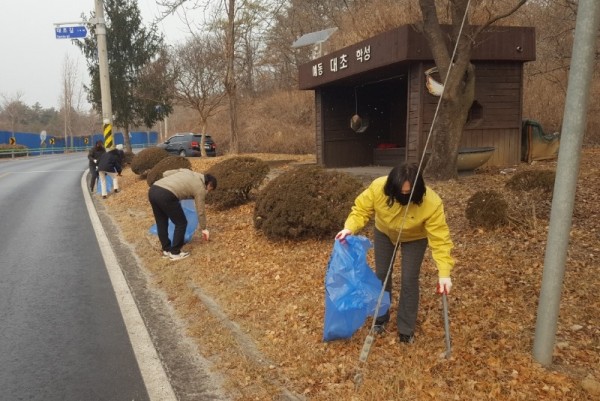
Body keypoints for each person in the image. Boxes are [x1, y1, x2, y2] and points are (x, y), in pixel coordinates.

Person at [335, 162, 454, 344]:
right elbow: (361, 210)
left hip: (415, 237)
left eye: (408, 193)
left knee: (409, 279)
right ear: (392, 187)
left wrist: (444, 273)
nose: (403, 195)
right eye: (400, 192)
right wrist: (349, 228)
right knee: (382, 274)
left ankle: (406, 329)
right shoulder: (378, 188)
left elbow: (440, 239)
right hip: (384, 232)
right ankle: (380, 318)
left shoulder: (431, 202)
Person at [148, 168, 217, 261]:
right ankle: (175, 253)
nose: (208, 192)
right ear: (209, 184)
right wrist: (204, 228)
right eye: (210, 189)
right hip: (166, 195)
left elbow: (165, 173)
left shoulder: (187, 171)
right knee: (181, 223)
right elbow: (200, 211)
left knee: (161, 222)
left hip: (153, 190)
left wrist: (176, 184)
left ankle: (166, 250)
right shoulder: (200, 188)